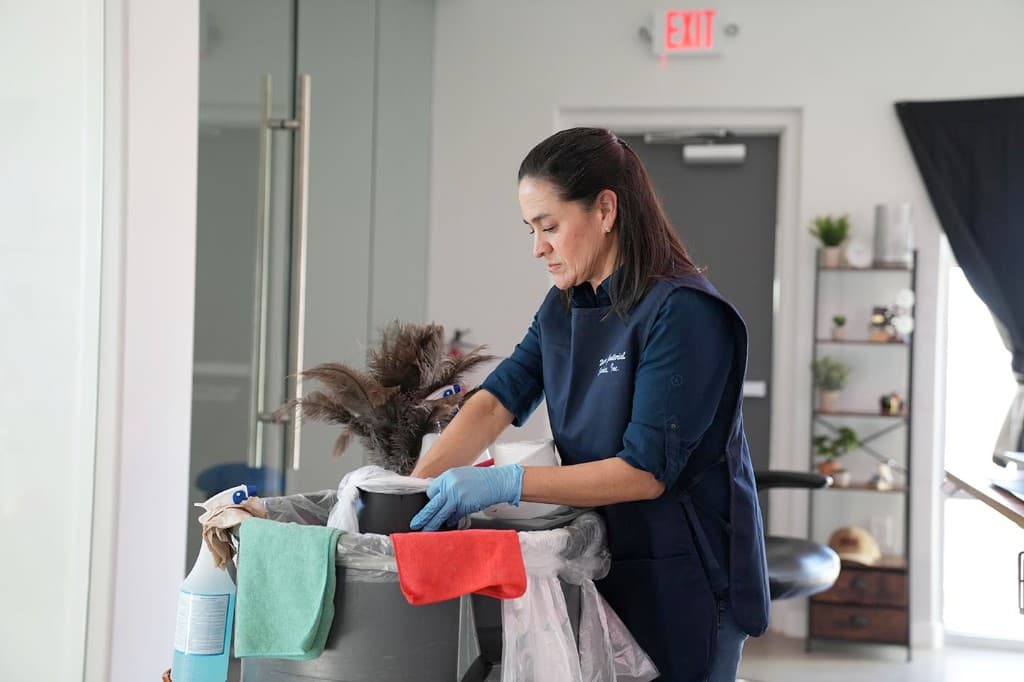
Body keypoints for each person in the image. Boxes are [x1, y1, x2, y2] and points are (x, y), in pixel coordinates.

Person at [410, 127, 769, 681]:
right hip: (603, 559)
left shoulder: (683, 312)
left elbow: (644, 472)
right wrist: (414, 493)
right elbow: (495, 401)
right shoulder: (565, 307)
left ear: (605, 209)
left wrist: (506, 483)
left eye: (549, 226)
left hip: (686, 578)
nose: (538, 247)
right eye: (531, 229)